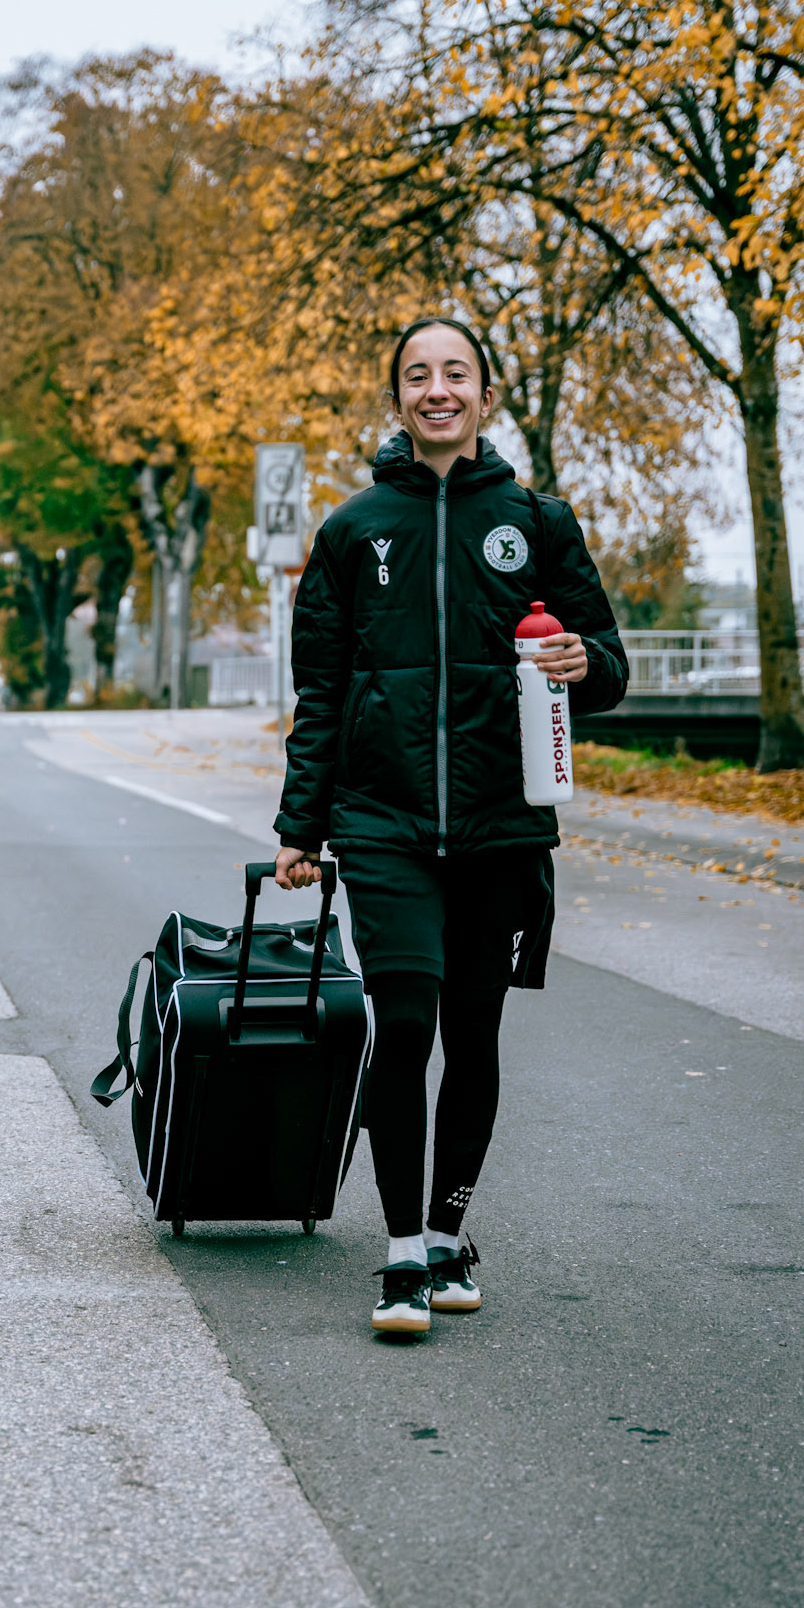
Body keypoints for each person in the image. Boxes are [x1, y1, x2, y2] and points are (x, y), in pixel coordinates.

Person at [273, 318, 627, 1337]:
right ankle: (397, 1257)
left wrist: (580, 665)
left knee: (474, 1033)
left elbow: (606, 662)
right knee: (407, 1025)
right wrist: (303, 825)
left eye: (456, 373)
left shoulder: (536, 520)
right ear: (397, 398)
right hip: (381, 824)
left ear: (485, 393)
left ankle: (446, 1228)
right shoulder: (350, 533)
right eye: (418, 375)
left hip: (502, 825)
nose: (438, 389)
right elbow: (323, 693)